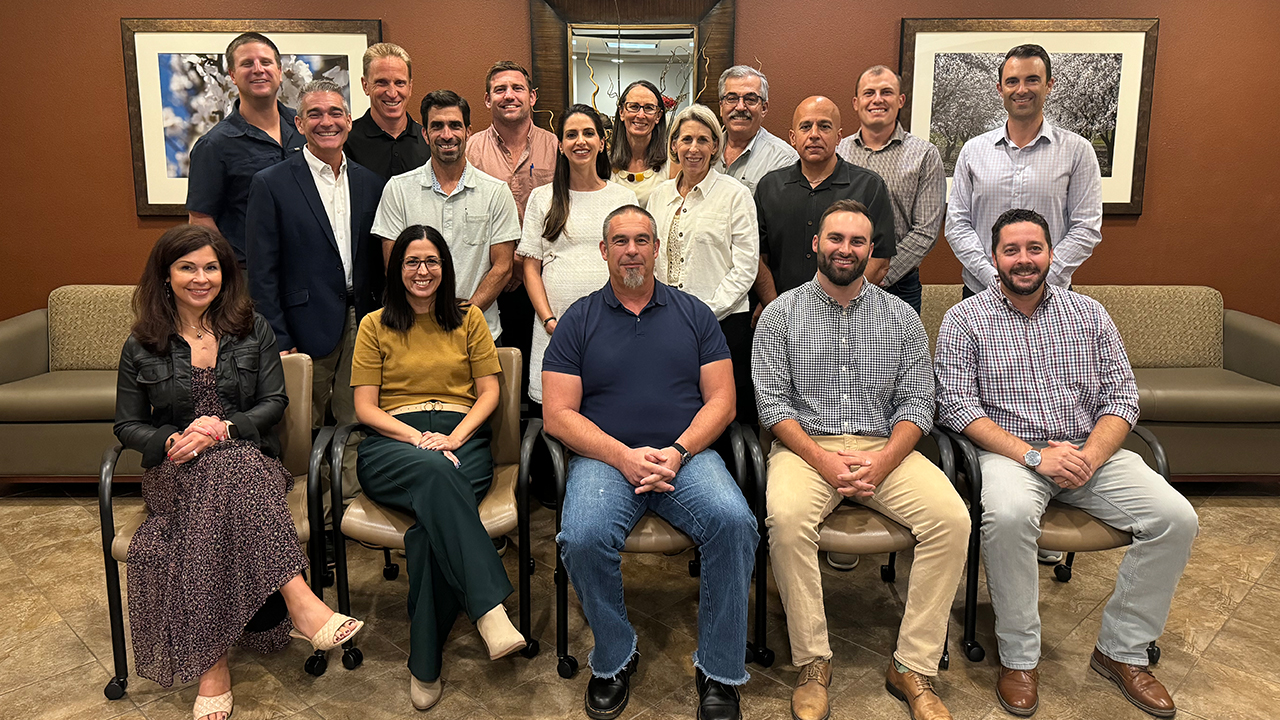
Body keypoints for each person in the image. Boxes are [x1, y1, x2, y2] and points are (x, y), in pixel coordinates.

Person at [935, 208, 1198, 719]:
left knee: (1176, 518)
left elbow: (1123, 398)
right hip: (1011, 454)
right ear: (994, 258)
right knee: (1008, 516)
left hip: (1086, 451)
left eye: (1034, 248)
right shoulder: (965, 319)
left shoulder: (1090, 314)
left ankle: (1121, 650)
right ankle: (1019, 658)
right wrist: (1035, 455)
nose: (1024, 260)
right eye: (1011, 250)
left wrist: (1090, 457)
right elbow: (957, 406)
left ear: (1052, 254)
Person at [114, 224, 362, 720]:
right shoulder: (141, 343)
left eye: (211, 267)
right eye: (187, 267)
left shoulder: (253, 328)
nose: (200, 278)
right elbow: (126, 424)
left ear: (225, 274)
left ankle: (213, 667)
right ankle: (300, 600)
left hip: (251, 461)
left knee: (230, 464)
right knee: (220, 477)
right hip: (174, 472)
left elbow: (275, 401)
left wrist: (224, 428)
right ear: (166, 276)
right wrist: (169, 440)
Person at [754, 200, 968, 720]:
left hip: (885, 450)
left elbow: (919, 401)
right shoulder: (780, 315)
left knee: (952, 520)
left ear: (872, 250)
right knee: (785, 521)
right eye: (835, 238)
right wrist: (822, 459)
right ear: (816, 245)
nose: (845, 249)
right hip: (807, 448)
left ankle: (912, 665)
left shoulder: (901, 315)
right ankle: (812, 662)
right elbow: (772, 405)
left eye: (857, 241)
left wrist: (889, 458)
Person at [543, 205, 758, 720]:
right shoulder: (578, 319)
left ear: (657, 248)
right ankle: (615, 656)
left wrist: (679, 451)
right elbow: (557, 414)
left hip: (687, 453)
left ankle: (720, 669)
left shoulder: (695, 313)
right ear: (603, 251)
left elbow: (723, 402)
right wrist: (622, 455)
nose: (632, 250)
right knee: (582, 536)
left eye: (642, 240)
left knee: (735, 523)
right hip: (606, 458)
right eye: (620, 241)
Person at [351, 224, 529, 712]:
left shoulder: (468, 320)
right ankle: (489, 610)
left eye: (431, 261)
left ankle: (425, 662)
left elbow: (489, 391)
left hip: (461, 440)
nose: (422, 271)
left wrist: (452, 437)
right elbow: (365, 408)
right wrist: (418, 440)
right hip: (392, 443)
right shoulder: (373, 324)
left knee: (431, 528)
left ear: (445, 268)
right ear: (397, 269)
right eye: (412, 262)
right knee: (436, 479)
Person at [246, 79, 387, 514]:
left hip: (362, 321)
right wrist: (278, 336)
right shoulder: (272, 183)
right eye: (316, 114)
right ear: (299, 123)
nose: (327, 122)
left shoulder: (370, 181)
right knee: (300, 423)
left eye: (335, 113)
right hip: (301, 326)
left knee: (356, 416)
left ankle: (348, 507)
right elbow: (262, 271)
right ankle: (302, 510)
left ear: (348, 119)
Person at [945, 45, 1103, 298]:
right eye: (1012, 81)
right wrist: (992, 278)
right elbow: (957, 225)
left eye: (1032, 80)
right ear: (1000, 89)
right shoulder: (973, 151)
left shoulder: (1077, 151)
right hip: (981, 293)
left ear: (1049, 85)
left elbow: (1086, 228)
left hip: (1051, 295)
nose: (1021, 90)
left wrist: (1041, 280)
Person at [372, 90, 520, 341]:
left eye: (455, 126)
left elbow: (503, 268)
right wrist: (428, 319)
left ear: (468, 132)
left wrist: (464, 317)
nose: (447, 135)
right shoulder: (398, 189)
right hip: (414, 333)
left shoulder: (495, 192)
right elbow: (393, 265)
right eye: (437, 126)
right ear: (425, 133)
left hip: (479, 332)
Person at [517, 104, 635, 407]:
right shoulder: (543, 198)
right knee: (559, 413)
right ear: (560, 145)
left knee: (609, 408)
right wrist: (549, 321)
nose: (580, 141)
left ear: (602, 142)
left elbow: (634, 264)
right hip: (555, 328)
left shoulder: (623, 197)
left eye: (588, 133)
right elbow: (531, 268)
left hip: (614, 329)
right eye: (571, 135)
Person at [648, 103, 759, 423]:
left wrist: (703, 312)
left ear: (715, 146)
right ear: (673, 146)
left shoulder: (735, 195)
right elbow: (652, 259)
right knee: (672, 405)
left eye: (702, 140)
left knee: (717, 415)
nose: (693, 148)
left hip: (721, 324)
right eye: (685, 140)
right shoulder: (659, 195)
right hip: (665, 323)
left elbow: (745, 267)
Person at [466, 60, 560, 414]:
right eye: (500, 89)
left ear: (532, 96)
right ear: (488, 100)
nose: (509, 96)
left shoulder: (556, 146)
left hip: (542, 282)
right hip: (487, 281)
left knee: (542, 372)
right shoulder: (471, 150)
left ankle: (539, 456)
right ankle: (504, 447)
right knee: (493, 376)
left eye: (517, 88)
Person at [753, 96, 897, 325]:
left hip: (851, 318)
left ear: (839, 136)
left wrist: (842, 306)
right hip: (784, 318)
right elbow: (758, 257)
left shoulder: (869, 186)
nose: (814, 134)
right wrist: (775, 309)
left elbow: (879, 260)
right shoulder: (769, 187)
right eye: (805, 126)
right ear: (793, 137)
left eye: (824, 126)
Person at [186, 32, 304, 268]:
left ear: (280, 72)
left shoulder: (305, 128)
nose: (258, 69)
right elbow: (200, 220)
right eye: (247, 64)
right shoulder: (214, 145)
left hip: (307, 270)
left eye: (266, 62)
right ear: (232, 75)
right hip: (248, 274)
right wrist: (231, 272)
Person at [835, 66, 945, 313]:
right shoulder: (838, 152)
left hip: (898, 286)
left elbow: (925, 232)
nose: (877, 100)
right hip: (838, 280)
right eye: (869, 93)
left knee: (897, 353)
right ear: (856, 102)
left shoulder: (925, 155)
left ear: (900, 100)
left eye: (886, 92)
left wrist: (880, 272)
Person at [343, 42, 430, 180]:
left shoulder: (428, 141)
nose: (392, 93)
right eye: (382, 82)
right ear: (365, 85)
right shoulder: (346, 141)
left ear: (410, 87)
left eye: (400, 83)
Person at [715, 65, 798, 193]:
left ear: (764, 108)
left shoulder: (784, 160)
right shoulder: (705, 150)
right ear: (721, 107)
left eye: (750, 99)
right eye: (732, 99)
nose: (740, 107)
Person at [608, 80, 675, 207]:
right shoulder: (604, 162)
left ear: (658, 116)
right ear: (621, 112)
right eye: (634, 107)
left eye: (649, 108)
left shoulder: (672, 164)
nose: (640, 115)